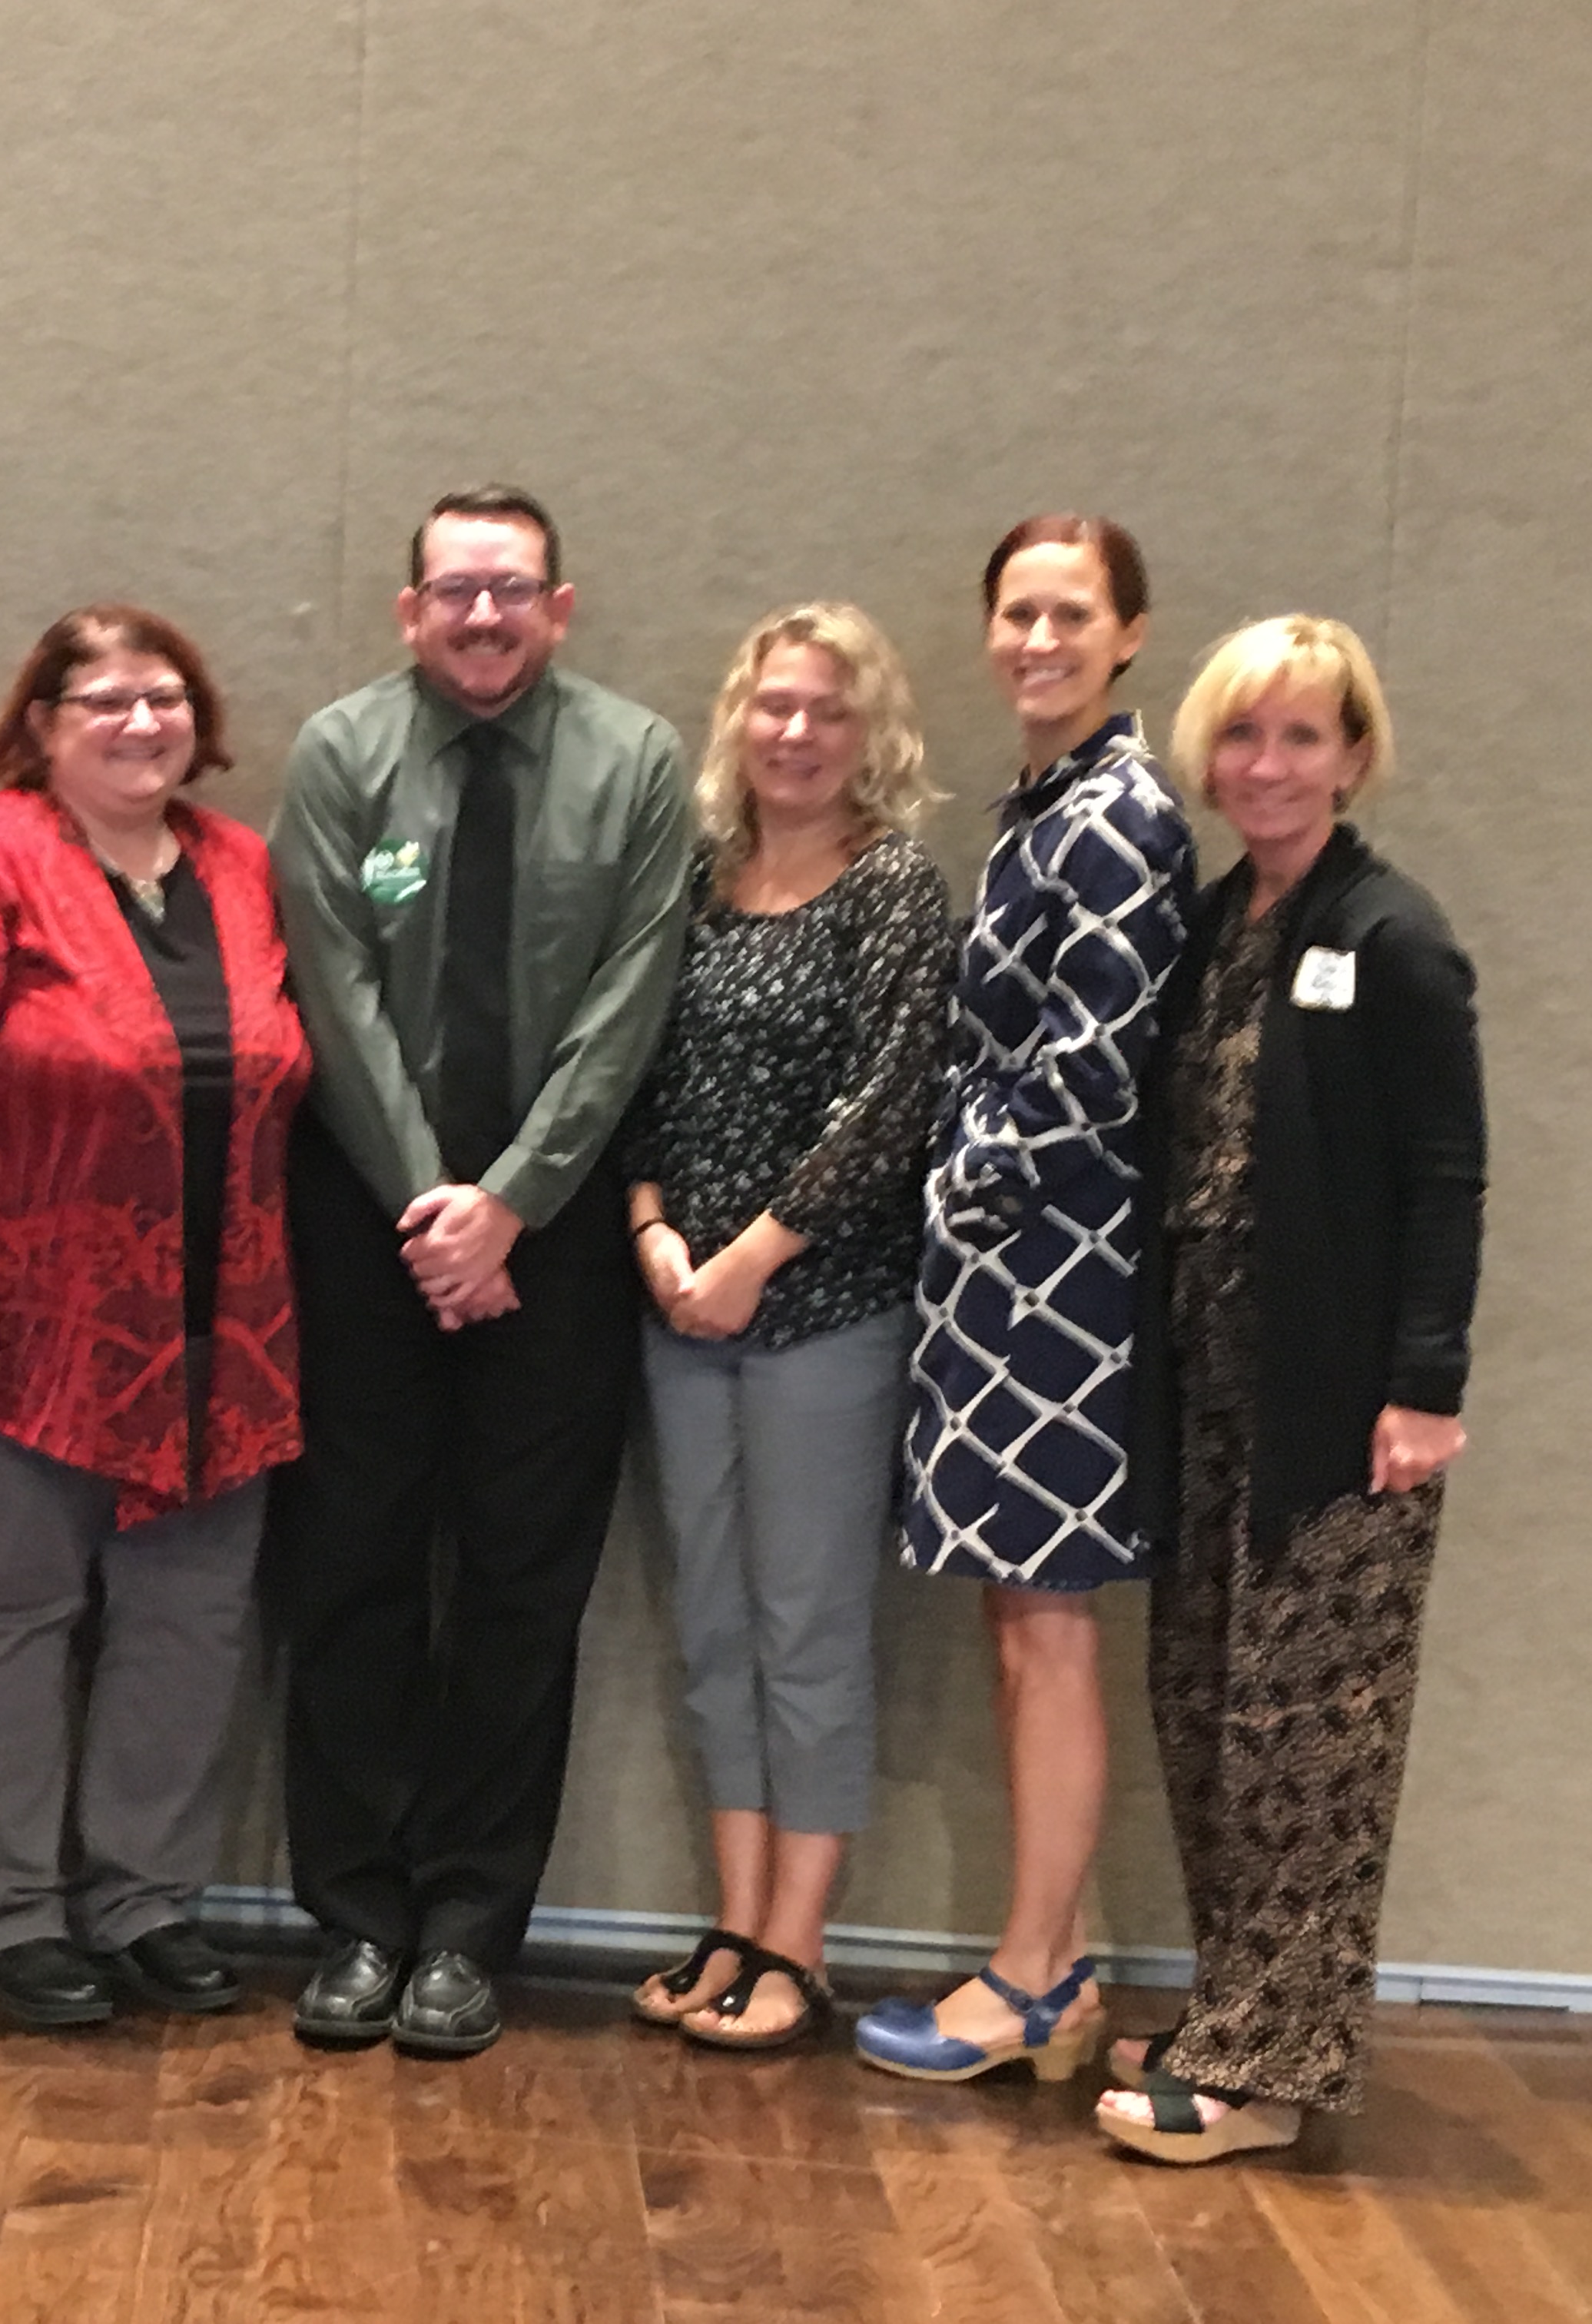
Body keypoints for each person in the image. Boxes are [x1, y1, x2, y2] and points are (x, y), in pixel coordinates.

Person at [0, 605, 312, 2030]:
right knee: (6, 1619)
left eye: (163, 696)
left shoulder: (240, 869)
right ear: (42, 726)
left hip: (222, 1332)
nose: (138, 722)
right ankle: (10, 1912)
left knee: (189, 1625)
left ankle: (144, 1900)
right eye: (102, 700)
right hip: (12, 1331)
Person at [268, 485, 692, 2057]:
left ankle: (464, 1929)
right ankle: (356, 1920)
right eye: (456, 590)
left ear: (559, 608)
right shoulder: (340, 755)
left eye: (513, 589)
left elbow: (632, 1002)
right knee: (353, 1574)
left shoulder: (638, 764)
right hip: (370, 1226)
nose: (485, 615)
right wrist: (434, 1213)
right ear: (411, 611)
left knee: (523, 1586)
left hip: (557, 1240)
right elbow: (335, 995)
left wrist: (507, 1208)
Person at [1093, 616, 1482, 2163]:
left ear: (1354, 756)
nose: (1267, 764)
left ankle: (1265, 2077)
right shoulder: (1215, 927)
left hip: (1338, 1412)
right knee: (1206, 1714)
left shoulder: (1393, 937)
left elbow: (1447, 1180)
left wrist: (1425, 1385)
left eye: (1302, 736)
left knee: (1307, 1742)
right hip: (1209, 1390)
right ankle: (1233, 2012)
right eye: (1244, 735)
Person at [858, 514, 1195, 2083]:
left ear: (1130, 634)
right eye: (1018, 613)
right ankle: (1044, 1958)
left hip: (1066, 1284)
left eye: (1072, 614)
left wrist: (953, 1188)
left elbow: (1093, 1066)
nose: (1040, 640)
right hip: (1003, 1280)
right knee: (1019, 1628)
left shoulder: (1122, 815)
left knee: (1047, 1637)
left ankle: (1038, 1979)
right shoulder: (1041, 809)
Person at [620, 605, 951, 2050]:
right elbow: (640, 1075)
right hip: (679, 1308)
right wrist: (653, 1233)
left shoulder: (894, 891)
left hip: (822, 1313)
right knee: (712, 1628)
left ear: (869, 733)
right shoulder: (698, 887)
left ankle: (798, 1944)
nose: (797, 734)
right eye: (775, 707)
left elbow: (893, 1105)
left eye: (828, 710)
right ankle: (736, 1916)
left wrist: (753, 1257)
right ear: (738, 721)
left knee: (806, 1629)